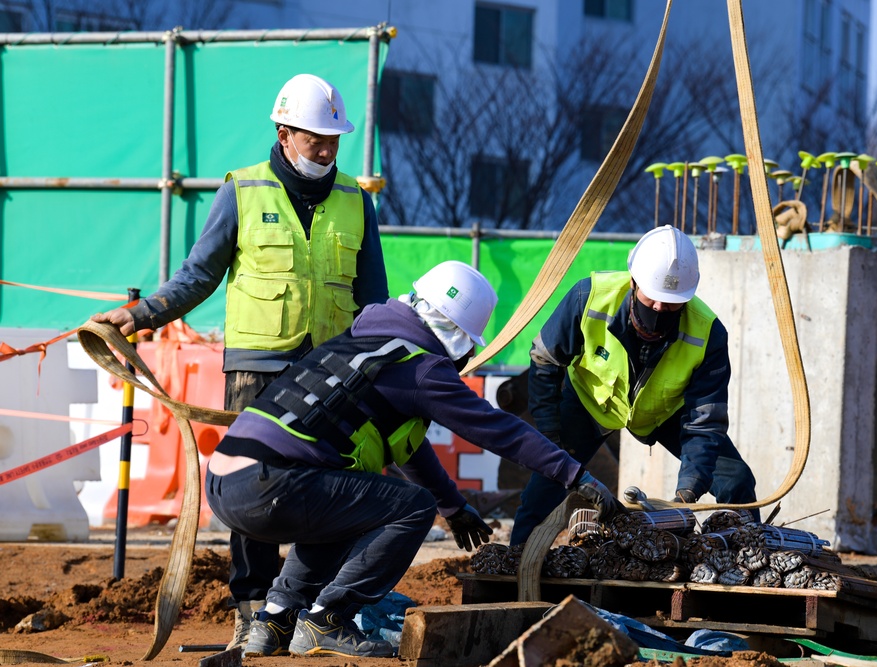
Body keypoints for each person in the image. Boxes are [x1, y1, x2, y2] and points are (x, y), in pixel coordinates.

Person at [91, 73, 389, 650]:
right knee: (254, 493)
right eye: (314, 138)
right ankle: (252, 610)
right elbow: (199, 274)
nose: (326, 149)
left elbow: (373, 298)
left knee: (330, 485)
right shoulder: (243, 191)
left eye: (333, 139)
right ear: (284, 133)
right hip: (258, 369)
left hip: (331, 370)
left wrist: (384, 357)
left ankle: (306, 609)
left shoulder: (357, 201)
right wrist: (146, 313)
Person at [203, 261, 619, 658]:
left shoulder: (366, 338)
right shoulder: (419, 368)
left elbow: (407, 448)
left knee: (352, 502)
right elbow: (497, 429)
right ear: (457, 337)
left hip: (227, 483)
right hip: (273, 485)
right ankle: (327, 618)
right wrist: (574, 473)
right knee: (412, 507)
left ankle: (276, 619)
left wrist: (454, 508)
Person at [510, 225, 758, 546]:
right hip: (589, 402)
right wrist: (549, 436)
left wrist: (688, 492)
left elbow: (703, 422)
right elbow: (545, 359)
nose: (658, 310)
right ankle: (515, 563)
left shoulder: (708, 333)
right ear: (633, 282)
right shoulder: (589, 297)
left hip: (666, 413)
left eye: (670, 305)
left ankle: (752, 555)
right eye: (652, 299)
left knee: (736, 480)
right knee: (544, 487)